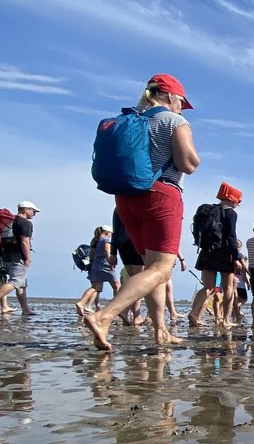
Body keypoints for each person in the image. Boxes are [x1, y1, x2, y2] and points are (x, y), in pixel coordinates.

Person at [83, 74, 199, 350]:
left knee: (151, 268)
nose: (182, 107)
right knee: (160, 269)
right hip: (161, 195)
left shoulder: (132, 119)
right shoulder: (174, 121)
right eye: (182, 102)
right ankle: (104, 316)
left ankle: (160, 330)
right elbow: (187, 164)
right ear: (170, 97)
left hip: (125, 198)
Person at [190, 182, 242, 327]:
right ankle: (226, 320)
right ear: (232, 198)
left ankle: (193, 313)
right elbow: (231, 236)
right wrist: (236, 257)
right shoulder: (231, 213)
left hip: (207, 250)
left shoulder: (211, 210)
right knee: (228, 288)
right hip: (224, 253)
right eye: (238, 200)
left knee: (208, 287)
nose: (238, 203)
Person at [0, 201, 41, 317]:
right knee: (16, 281)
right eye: (33, 211)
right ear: (25, 209)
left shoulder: (9, 221)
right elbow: (25, 241)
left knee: (22, 283)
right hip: (17, 255)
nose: (34, 214)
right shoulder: (25, 223)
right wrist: (27, 258)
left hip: (5, 255)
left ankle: (25, 309)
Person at [76, 225, 119, 318]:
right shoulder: (106, 239)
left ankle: (81, 302)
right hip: (105, 264)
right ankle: (116, 308)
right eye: (111, 234)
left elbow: (91, 254)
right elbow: (107, 251)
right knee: (117, 286)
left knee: (95, 287)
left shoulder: (95, 240)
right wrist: (110, 261)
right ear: (107, 232)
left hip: (96, 264)